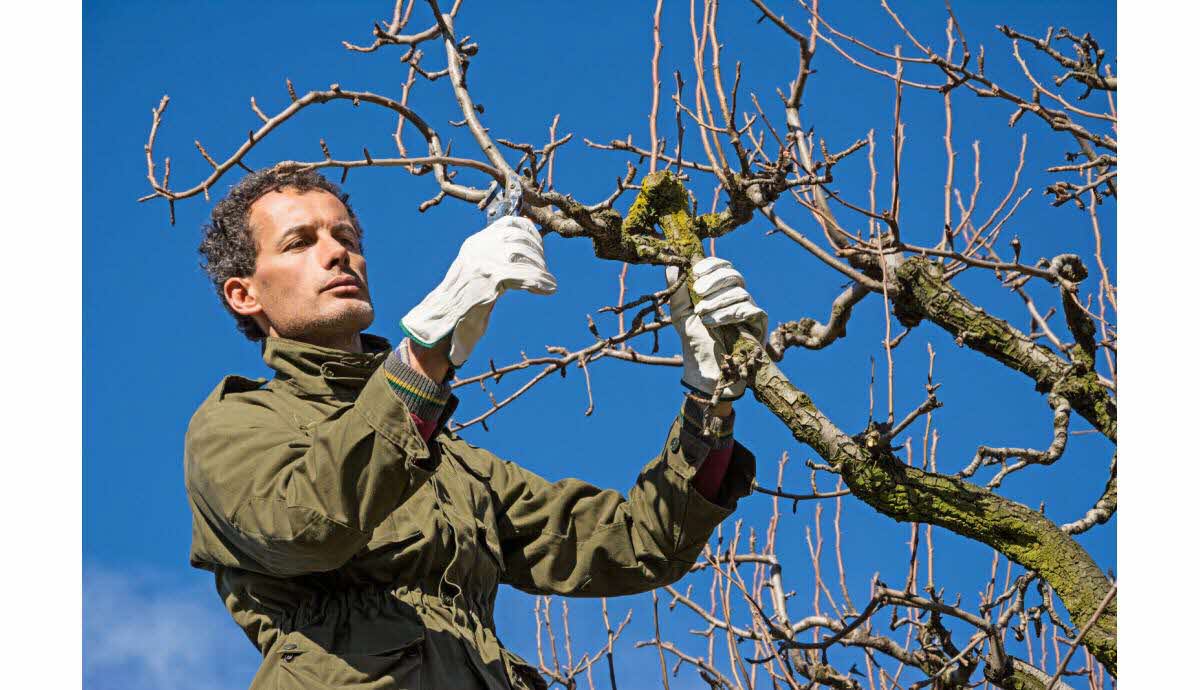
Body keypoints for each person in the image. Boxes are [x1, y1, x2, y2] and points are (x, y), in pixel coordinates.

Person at [184, 166, 767, 690]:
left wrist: (708, 400)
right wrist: (426, 353)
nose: (337, 254)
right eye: (299, 243)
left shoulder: (451, 463)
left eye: (347, 238)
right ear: (244, 294)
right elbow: (308, 524)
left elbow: (638, 544)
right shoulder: (235, 426)